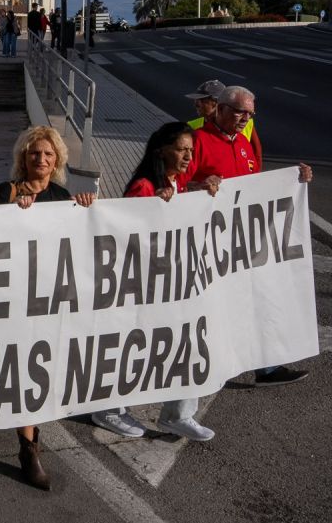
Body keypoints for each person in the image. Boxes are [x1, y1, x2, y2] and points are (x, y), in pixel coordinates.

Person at [90, 122, 220, 442]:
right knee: (133, 347)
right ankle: (108, 408)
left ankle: (179, 414)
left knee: (189, 342)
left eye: (191, 150)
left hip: (174, 284)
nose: (188, 156)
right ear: (161, 150)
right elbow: (126, 237)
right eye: (181, 149)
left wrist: (208, 186)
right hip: (142, 287)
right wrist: (152, 211)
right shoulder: (145, 187)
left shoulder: (177, 181)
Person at [0, 125, 96, 490]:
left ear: (57, 160)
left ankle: (29, 448)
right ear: (23, 158)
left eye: (48, 155)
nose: (41, 160)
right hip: (11, 298)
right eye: (34, 154)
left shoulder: (63, 196)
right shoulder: (7, 190)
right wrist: (13, 211)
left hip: (49, 301)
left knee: (36, 371)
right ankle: (18, 439)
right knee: (9, 367)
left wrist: (87, 210)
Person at [179, 85, 314, 386]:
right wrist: (197, 188)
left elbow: (258, 186)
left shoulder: (244, 142)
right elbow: (174, 185)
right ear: (220, 108)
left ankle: (267, 367)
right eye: (240, 112)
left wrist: (295, 177)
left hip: (243, 242)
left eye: (250, 113)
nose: (245, 118)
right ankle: (203, 365)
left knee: (256, 301)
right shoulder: (196, 141)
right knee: (214, 307)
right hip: (208, 242)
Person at [184, 79, 261, 165]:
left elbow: (256, 155)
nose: (196, 104)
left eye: (201, 100)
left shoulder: (246, 124)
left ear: (217, 103)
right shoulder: (192, 127)